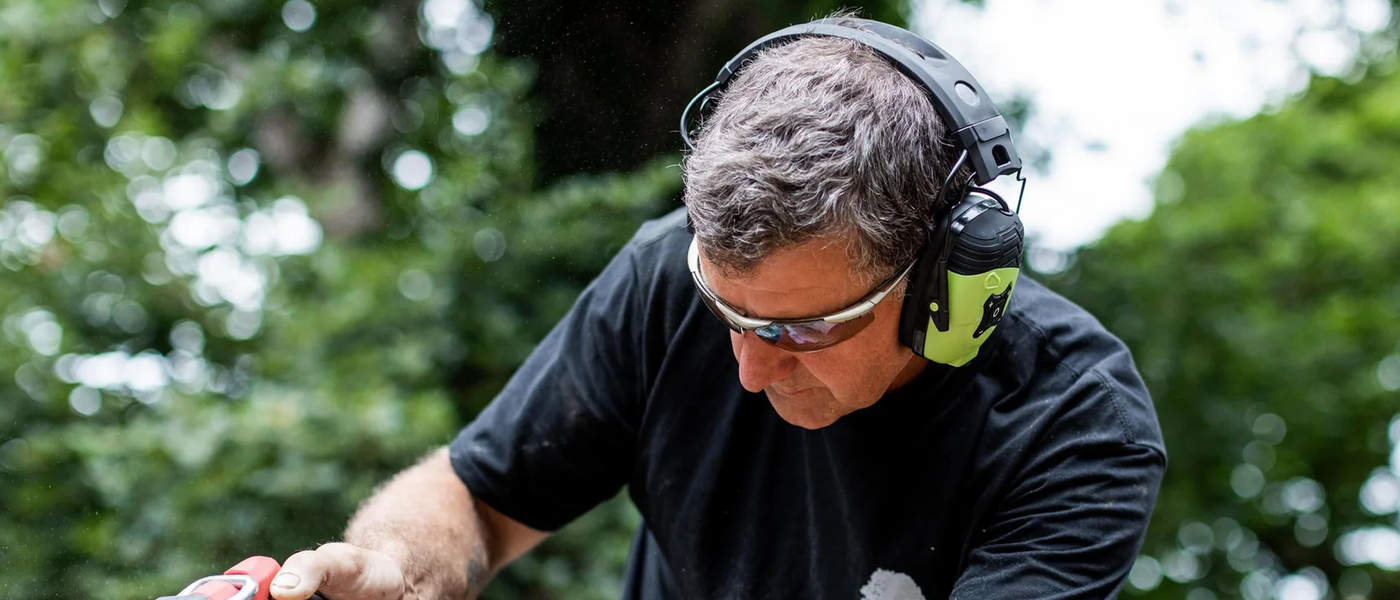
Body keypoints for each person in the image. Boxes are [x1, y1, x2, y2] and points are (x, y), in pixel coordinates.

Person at [269, 15, 1165, 600]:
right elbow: (478, 495)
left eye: (803, 328)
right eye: (726, 311)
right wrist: (395, 569)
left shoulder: (1077, 428)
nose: (750, 367)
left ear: (947, 287)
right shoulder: (663, 278)